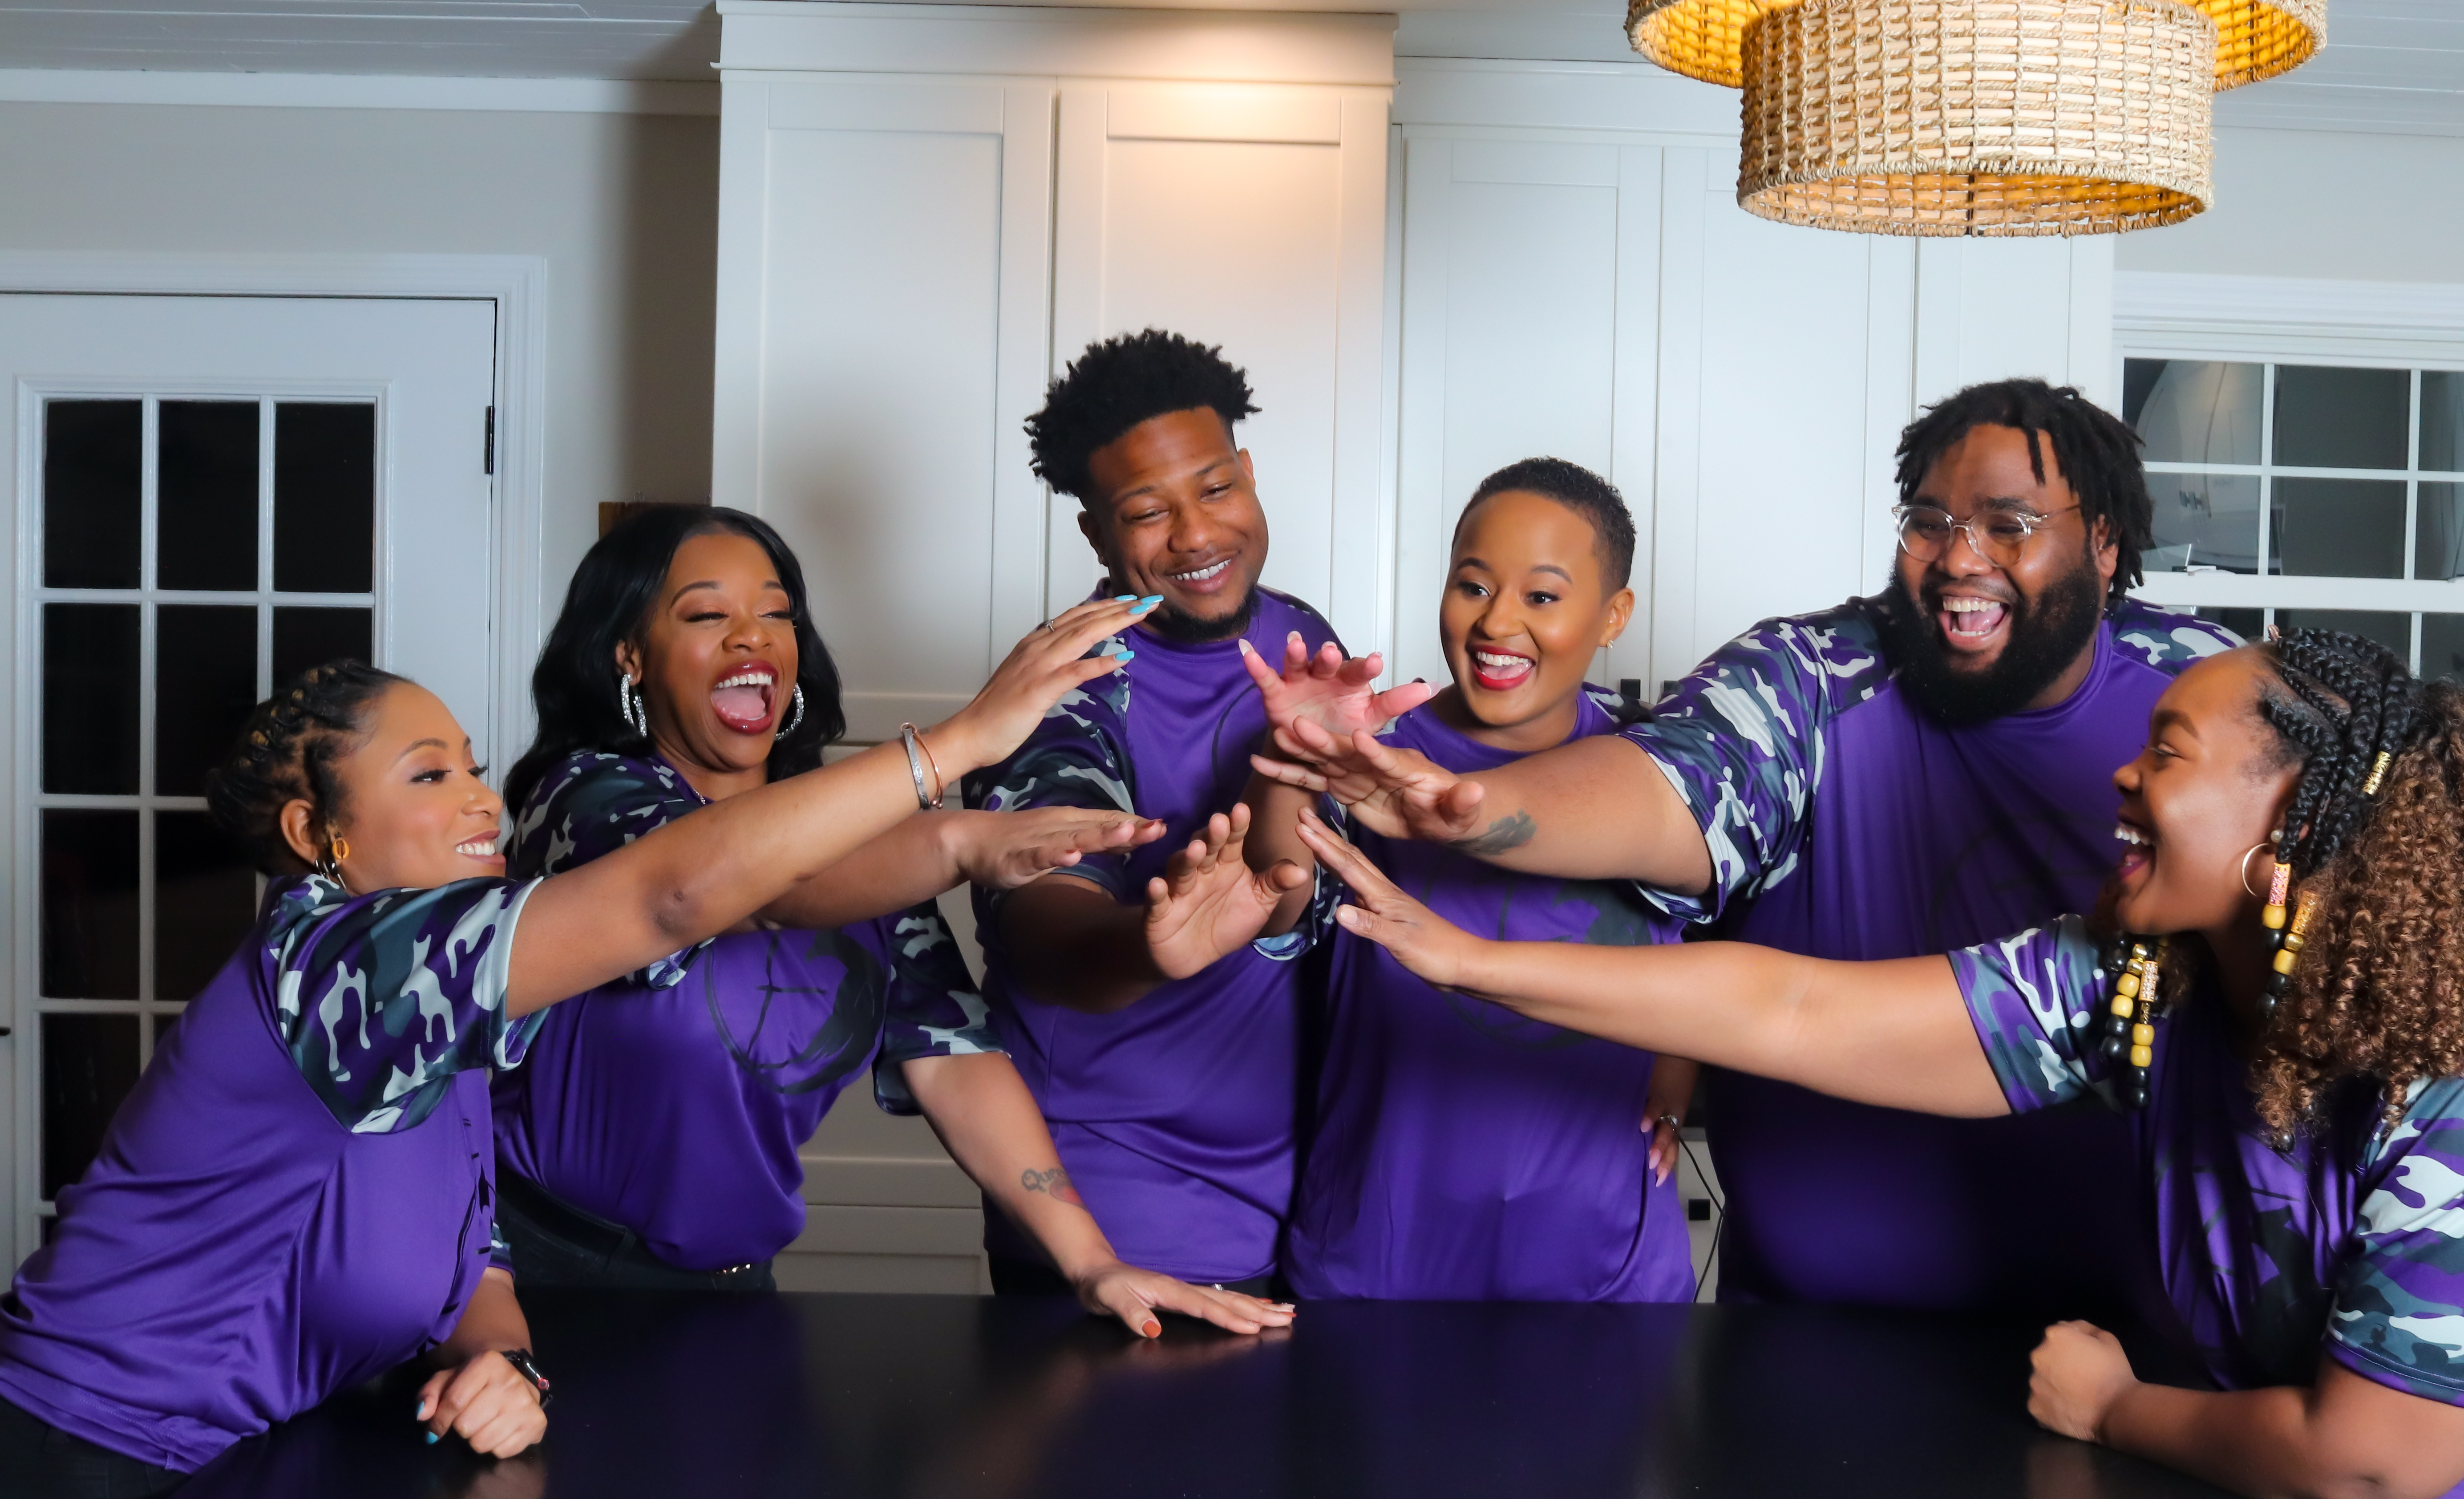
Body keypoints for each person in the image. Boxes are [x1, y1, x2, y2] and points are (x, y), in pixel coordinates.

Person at [1299, 630, 2464, 1499]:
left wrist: (2123, 1409)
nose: (2122, 780)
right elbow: (1790, 1012)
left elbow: (2372, 1467)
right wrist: (1474, 960)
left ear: (2287, 825)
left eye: (2168, 755)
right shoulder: (2144, 977)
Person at [0, 628, 1286, 1493]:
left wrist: (501, 1364)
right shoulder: (336, 962)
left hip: (232, 1450)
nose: (478, 798)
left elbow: (468, 1254)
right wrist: (952, 754)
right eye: (429, 772)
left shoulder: (450, 996)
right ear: (315, 832)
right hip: (74, 1448)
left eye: (469, 765)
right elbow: (677, 896)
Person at [1249, 379, 2239, 1317]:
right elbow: (1670, 792)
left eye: (2008, 524)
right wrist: (1472, 810)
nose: (1959, 556)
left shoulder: (2210, 693)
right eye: (1929, 522)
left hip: (2128, 1335)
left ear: (2104, 545)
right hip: (1808, 1329)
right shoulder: (1811, 673)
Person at [492, 506, 1282, 1303]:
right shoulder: (585, 799)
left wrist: (1090, 1261)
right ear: (630, 655)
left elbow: (954, 1055)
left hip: (730, 1287)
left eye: (777, 613)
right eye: (707, 615)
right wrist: (961, 791)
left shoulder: (863, 847)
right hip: (538, 1276)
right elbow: (711, 887)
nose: (752, 637)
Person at [965, 329, 1419, 1294]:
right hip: (1118, 1210)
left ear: (1249, 474)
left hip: (1301, 1193)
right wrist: (1151, 946)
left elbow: (1286, 896)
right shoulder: (1063, 687)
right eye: (1146, 512)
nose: (1197, 535)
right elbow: (1047, 936)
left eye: (1216, 489)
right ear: (1095, 533)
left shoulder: (1303, 638)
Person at [1245, 458, 1695, 1301]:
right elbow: (1273, 904)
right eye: (1474, 585)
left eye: (1544, 596)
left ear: (1613, 616)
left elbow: (1703, 947)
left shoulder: (1660, 769)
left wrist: (1672, 1086)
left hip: (1600, 1260)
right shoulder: (1374, 749)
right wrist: (1295, 764)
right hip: (1385, 1247)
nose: (1499, 624)